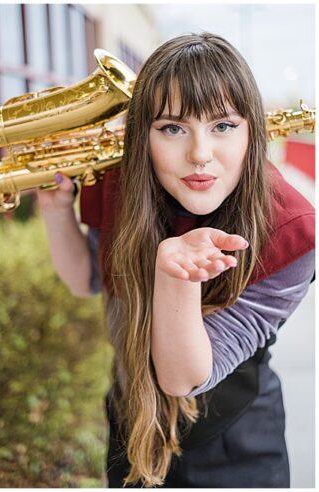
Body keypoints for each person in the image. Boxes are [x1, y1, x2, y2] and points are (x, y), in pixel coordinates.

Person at [37, 33, 314, 487]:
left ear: (253, 132)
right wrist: (55, 209)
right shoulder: (120, 184)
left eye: (223, 126)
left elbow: (182, 377)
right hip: (131, 420)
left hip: (236, 444)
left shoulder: (289, 228)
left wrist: (175, 274)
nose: (199, 155)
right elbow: (87, 278)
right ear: (142, 134)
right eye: (172, 128)